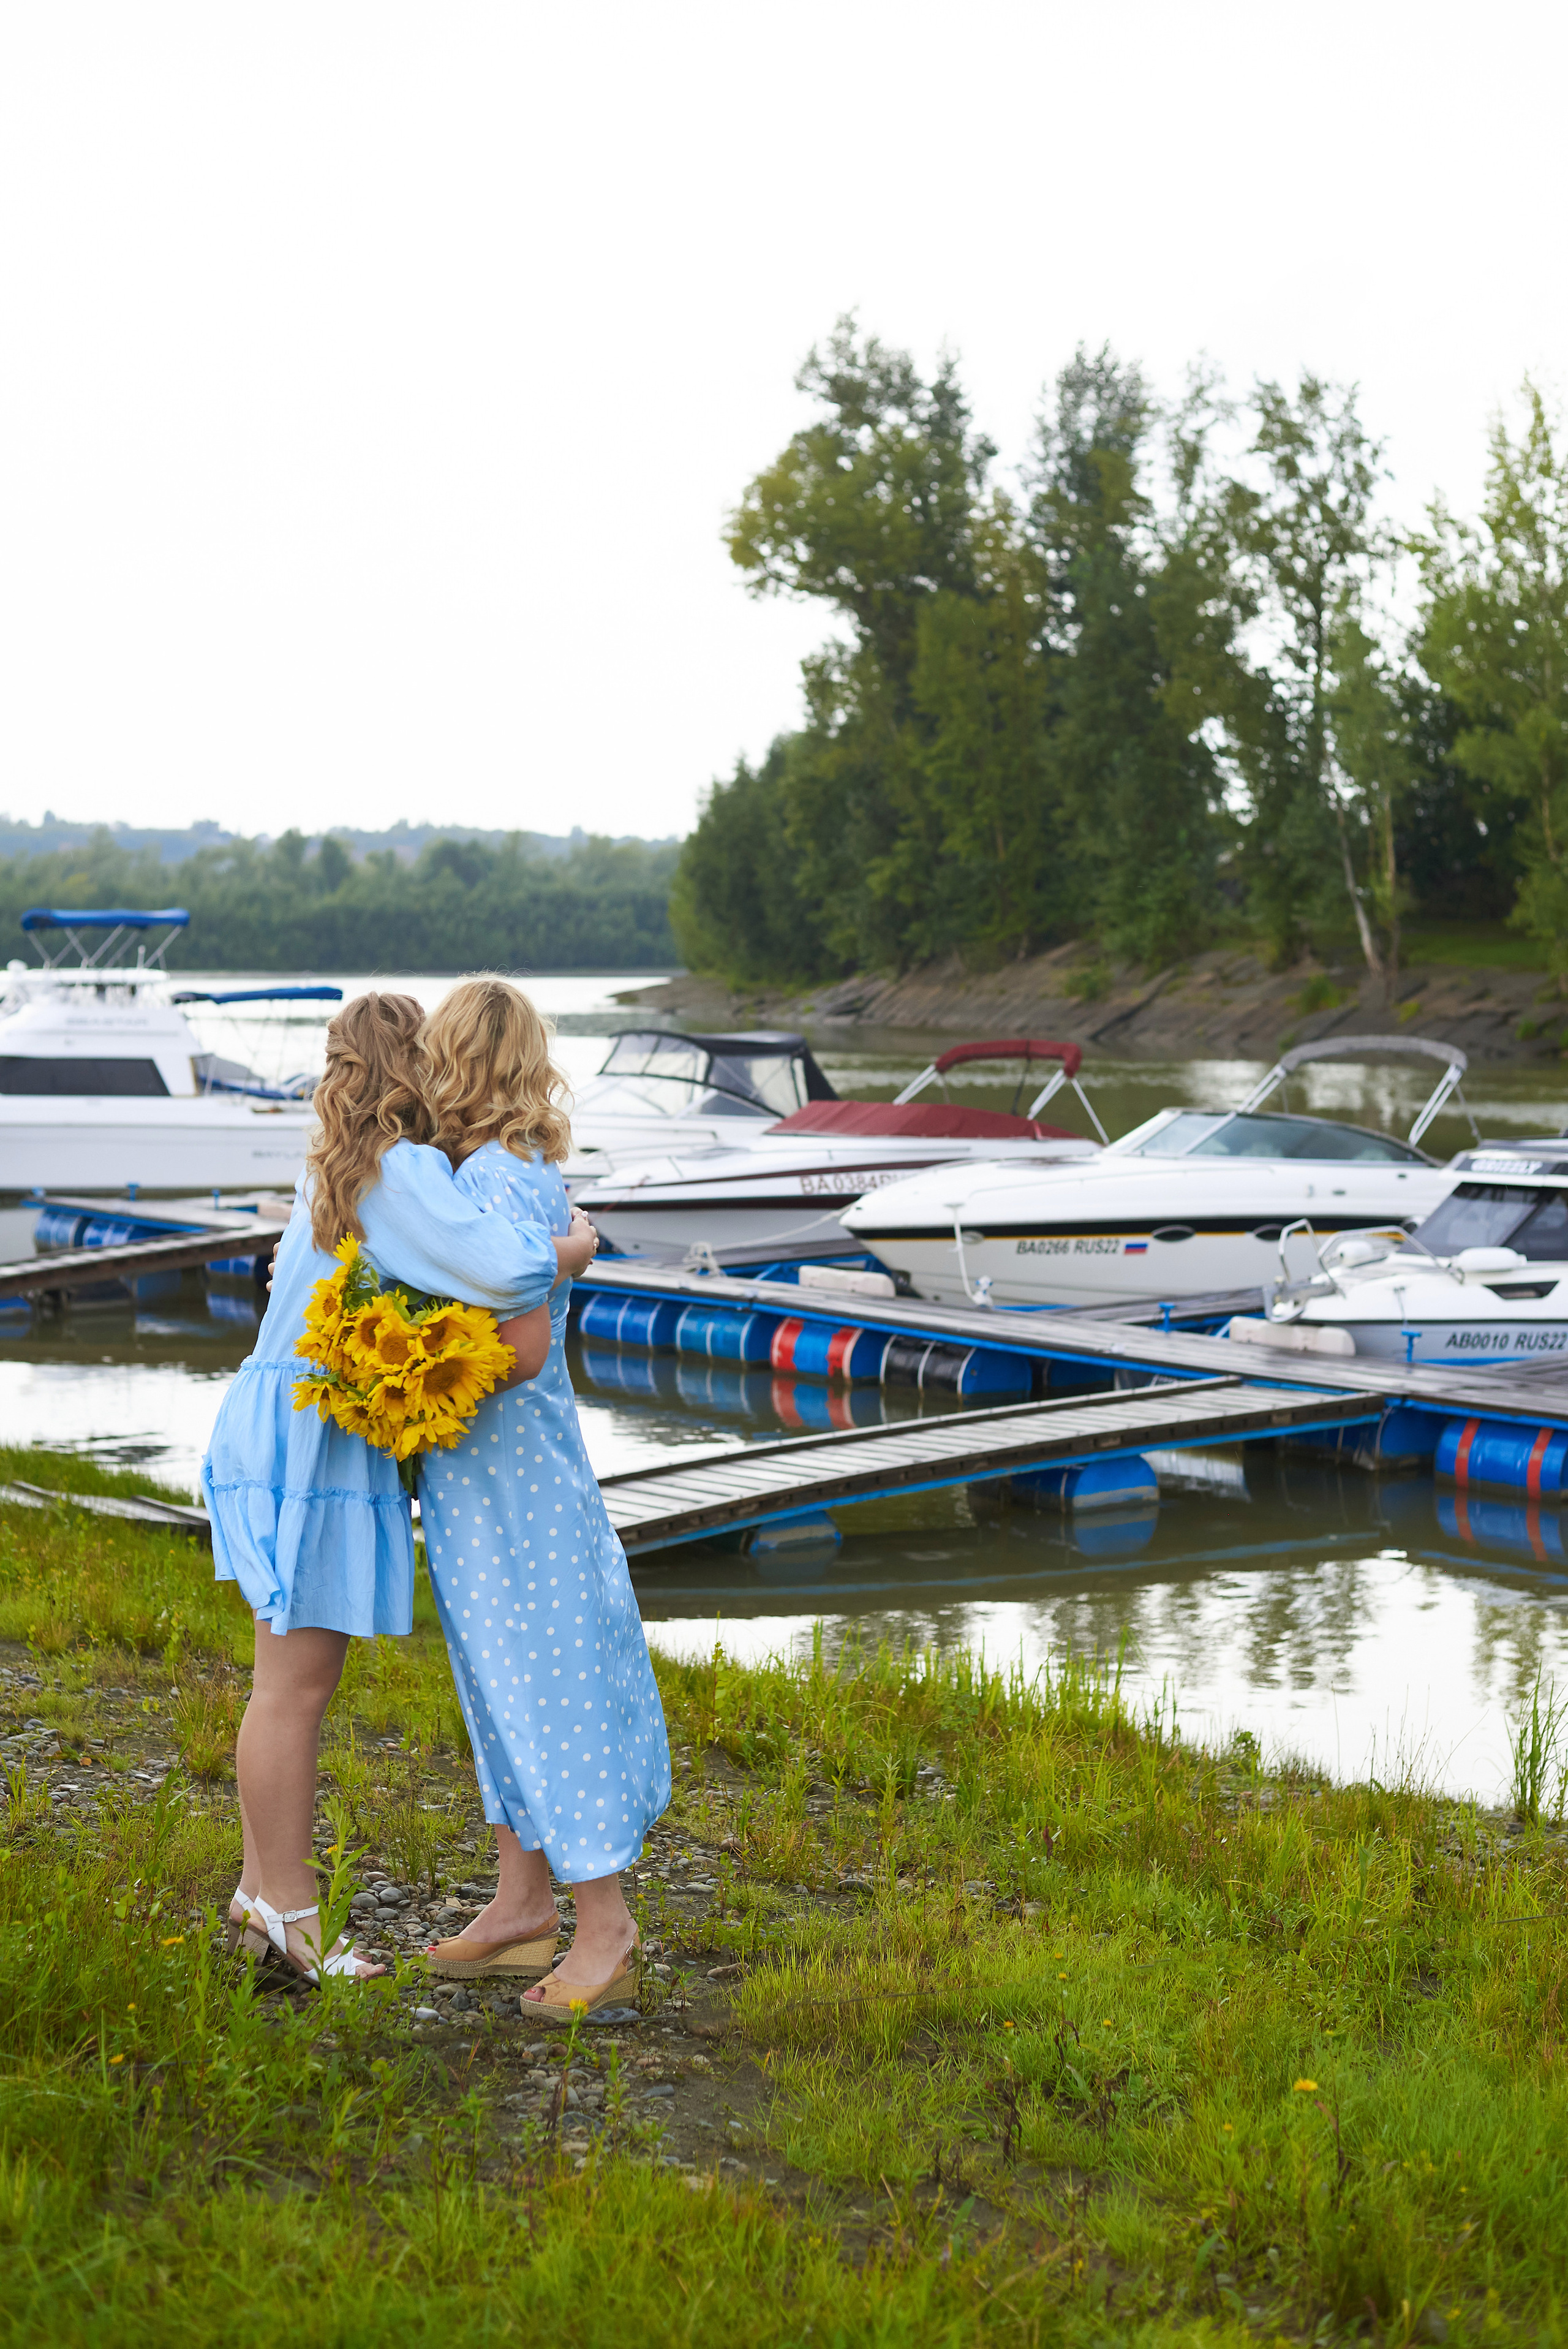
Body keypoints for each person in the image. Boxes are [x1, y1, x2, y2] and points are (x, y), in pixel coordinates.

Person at [202, 991, 598, 1984]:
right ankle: (290, 1916)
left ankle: (259, 1897)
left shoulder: (332, 1166)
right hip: (313, 1448)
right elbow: (504, 1271)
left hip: (270, 1427)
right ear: (414, 1066)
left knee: (278, 1685)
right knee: (296, 1690)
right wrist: (573, 1249)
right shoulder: (400, 1171)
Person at [417, 976, 670, 2014]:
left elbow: (517, 1351)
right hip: (498, 1477)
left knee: (548, 1684)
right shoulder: (516, 1168)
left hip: (512, 1480)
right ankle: (523, 1903)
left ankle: (606, 1925)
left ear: (457, 1062)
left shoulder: (490, 1179)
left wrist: (399, 1373)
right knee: (501, 1681)